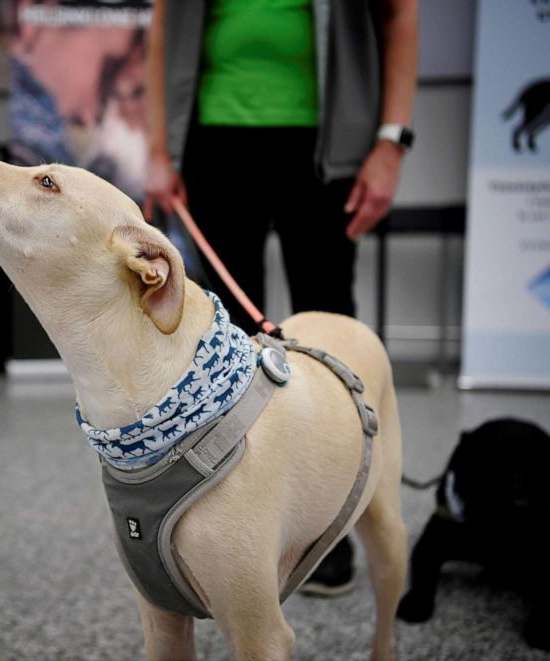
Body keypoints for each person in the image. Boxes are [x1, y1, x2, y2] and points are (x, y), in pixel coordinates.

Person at [144, 0, 418, 594]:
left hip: (326, 143)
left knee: (328, 332)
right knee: (230, 340)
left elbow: (400, 15)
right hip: (213, 140)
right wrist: (159, 148)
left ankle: (330, 525)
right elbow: (165, 23)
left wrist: (391, 142)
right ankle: (245, 517)